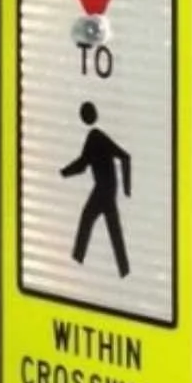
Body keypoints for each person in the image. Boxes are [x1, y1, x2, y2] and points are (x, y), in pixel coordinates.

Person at [62, 101, 132, 278]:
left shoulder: (95, 137)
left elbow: (83, 164)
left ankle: (77, 261)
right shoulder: (96, 137)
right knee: (112, 229)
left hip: (103, 190)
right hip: (107, 189)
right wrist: (123, 189)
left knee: (88, 219)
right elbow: (84, 165)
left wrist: (127, 189)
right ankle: (124, 270)